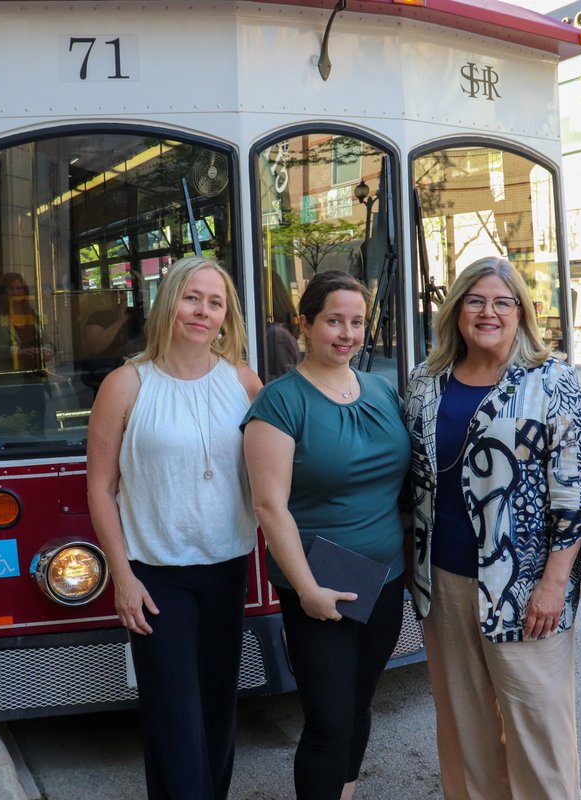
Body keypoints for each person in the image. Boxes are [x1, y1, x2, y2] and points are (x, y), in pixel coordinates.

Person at [403, 256, 581, 800]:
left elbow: (577, 494)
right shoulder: (427, 379)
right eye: (475, 300)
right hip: (443, 583)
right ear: (458, 308)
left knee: (540, 734)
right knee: (467, 732)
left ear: (521, 313)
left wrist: (554, 584)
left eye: (502, 302)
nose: (487, 312)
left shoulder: (549, 380)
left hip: (526, 589)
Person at [86, 256, 262, 800]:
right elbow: (100, 487)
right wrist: (123, 578)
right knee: (174, 719)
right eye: (192, 298)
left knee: (216, 713)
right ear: (168, 303)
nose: (202, 311)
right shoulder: (125, 384)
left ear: (225, 315)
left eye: (215, 303)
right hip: (156, 578)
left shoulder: (245, 381)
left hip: (228, 569)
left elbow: (274, 477)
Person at [242, 270, 410, 800]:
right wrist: (308, 590)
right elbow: (270, 507)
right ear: (306, 325)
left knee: (359, 707)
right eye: (334, 320)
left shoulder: (381, 390)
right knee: (328, 722)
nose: (347, 333)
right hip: (319, 586)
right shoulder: (280, 402)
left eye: (357, 322)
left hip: (384, 580)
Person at [0, 272, 43, 370]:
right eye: (11, 289)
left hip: (38, 373)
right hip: (10, 377)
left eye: (19, 288)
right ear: (3, 293)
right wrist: (17, 352)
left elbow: (49, 342)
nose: (15, 292)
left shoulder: (34, 315)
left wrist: (46, 350)